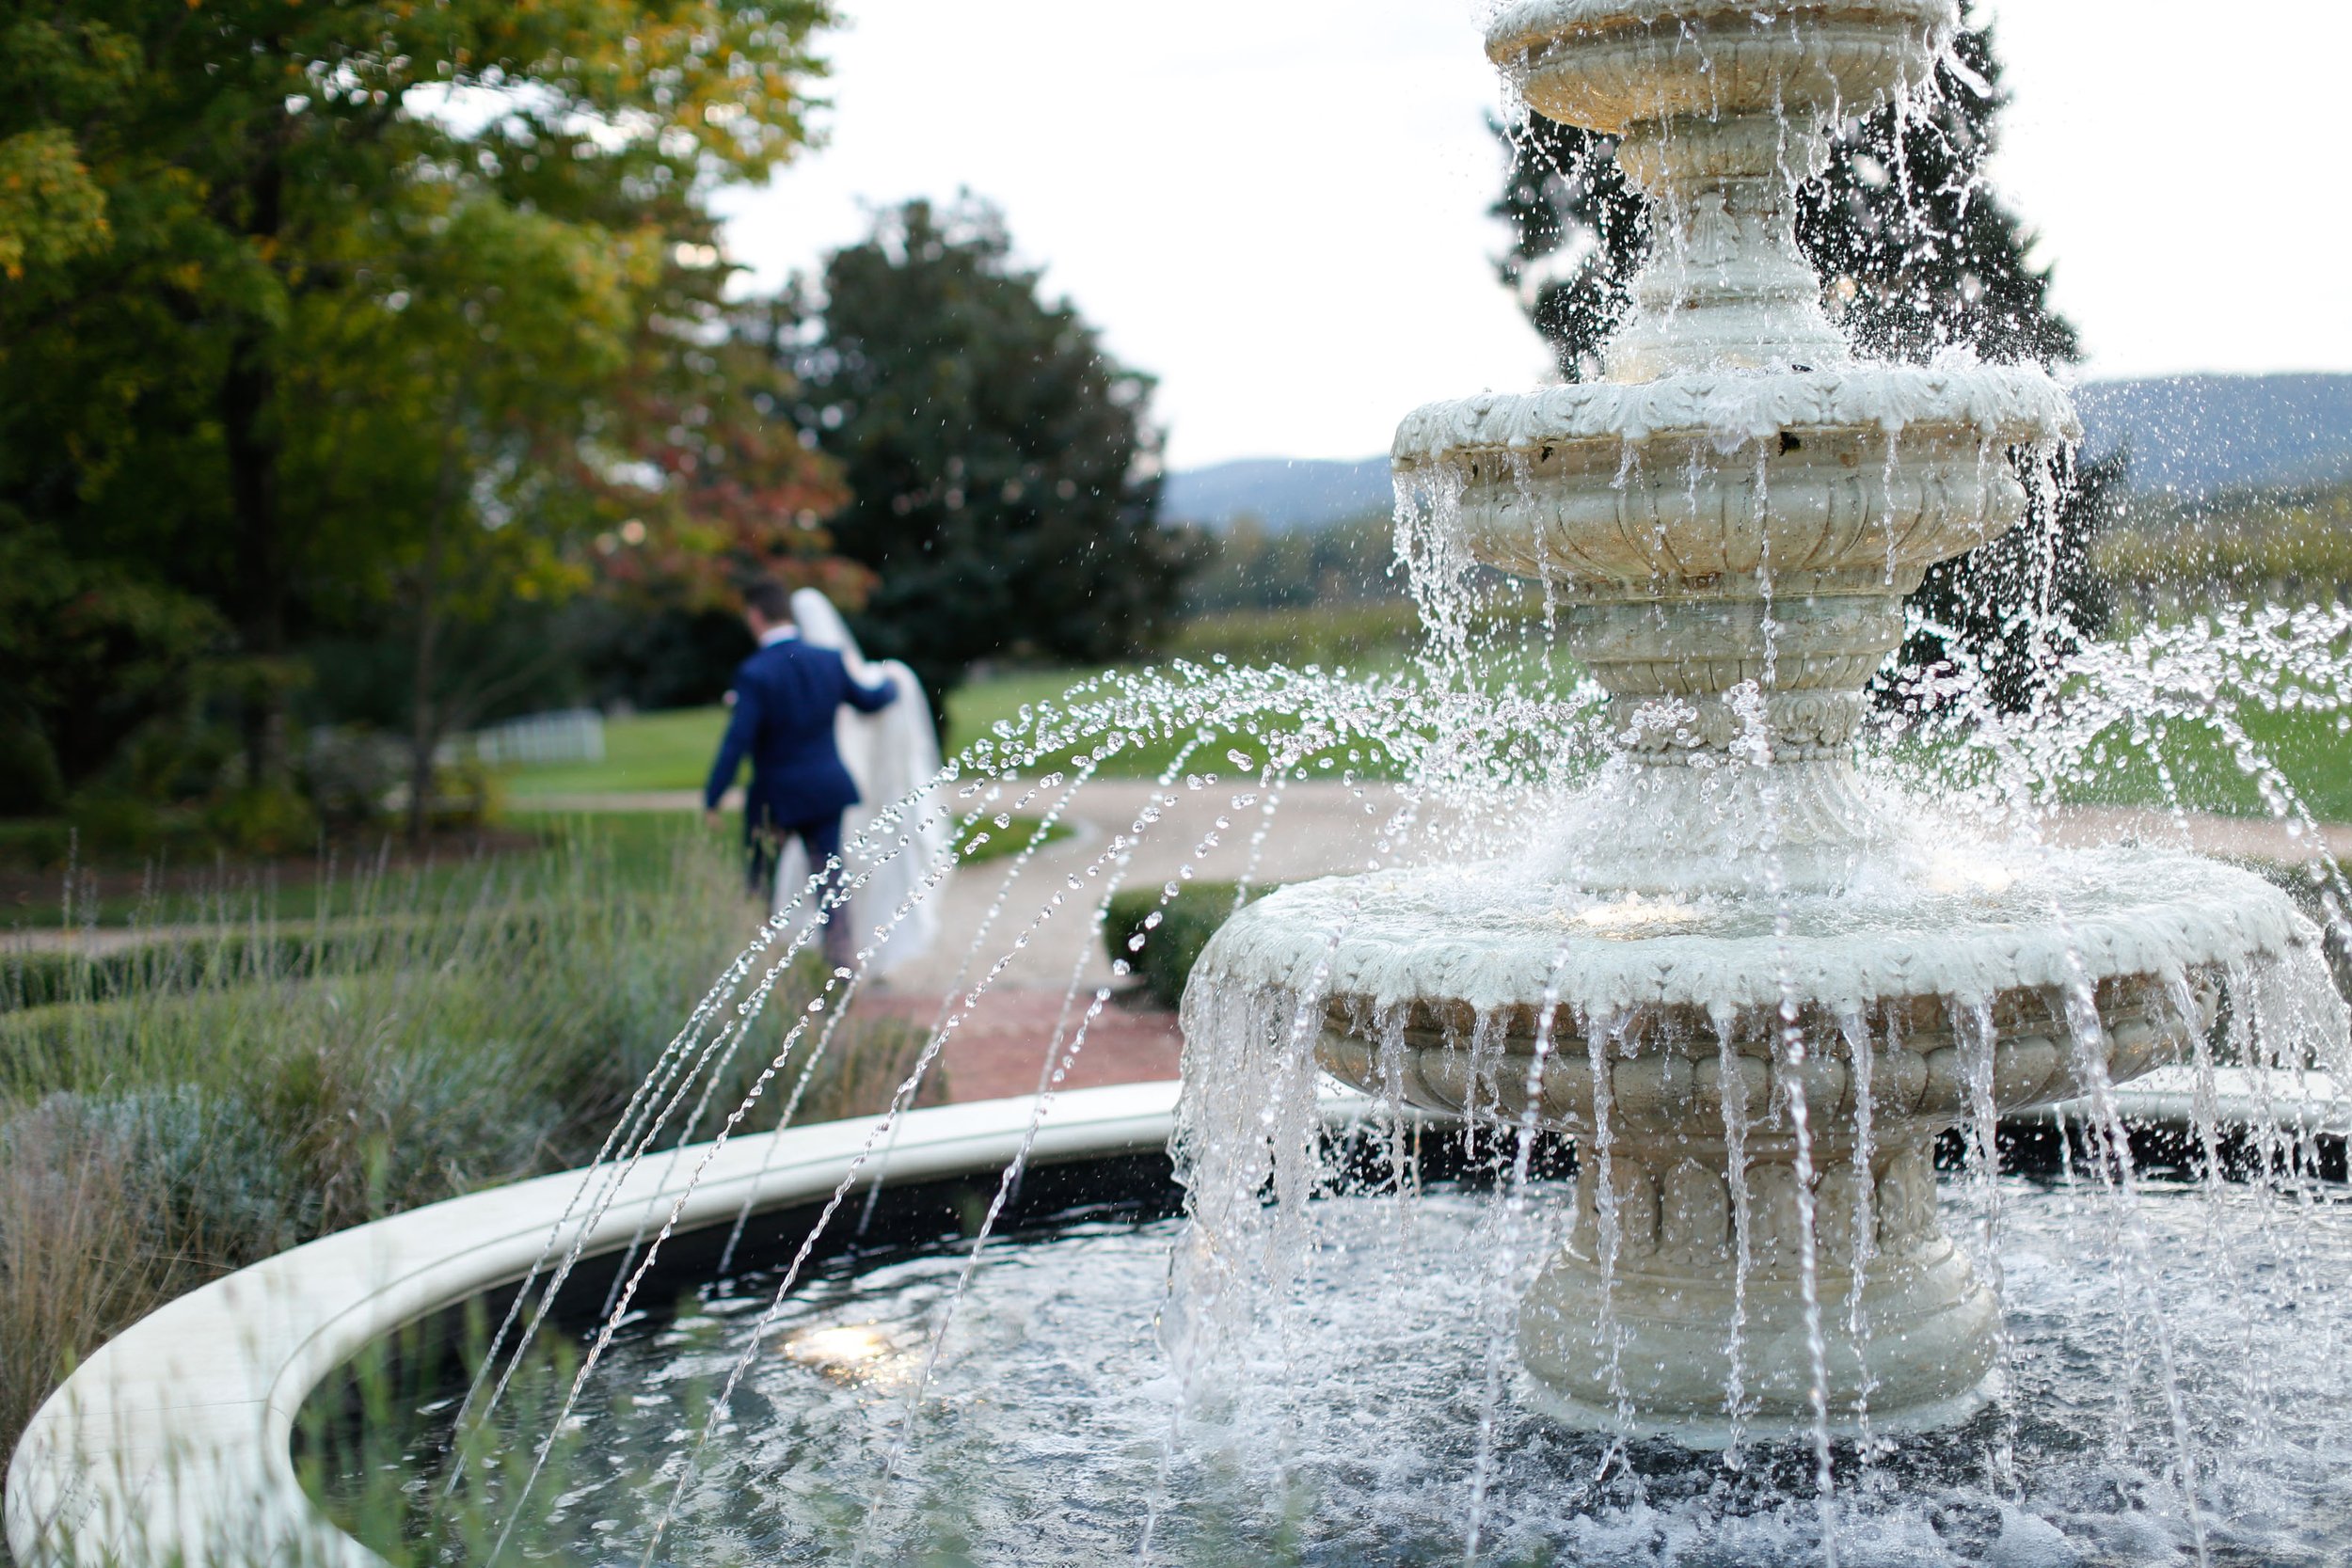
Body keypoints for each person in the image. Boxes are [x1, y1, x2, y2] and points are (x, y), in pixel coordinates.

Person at [704, 580, 898, 963]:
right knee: (829, 879)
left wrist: (713, 795)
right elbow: (869, 700)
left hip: (776, 796)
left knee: (760, 882)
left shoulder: (755, 672)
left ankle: (755, 966)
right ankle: (841, 965)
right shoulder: (828, 659)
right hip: (826, 787)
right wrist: (895, 682)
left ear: (756, 616)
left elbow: (738, 740)